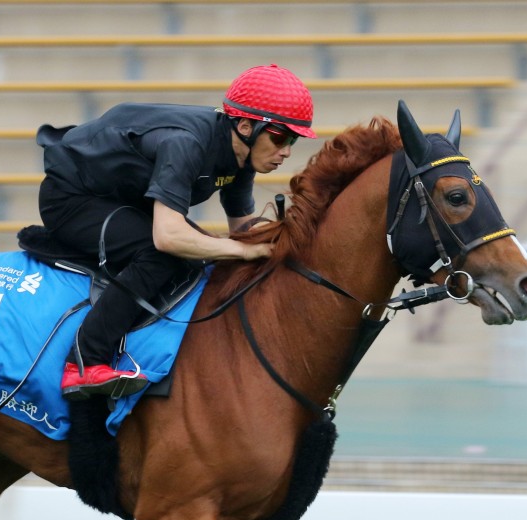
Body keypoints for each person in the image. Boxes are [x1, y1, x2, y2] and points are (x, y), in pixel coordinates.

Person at [34, 63, 316, 399]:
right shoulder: (187, 144)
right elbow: (169, 238)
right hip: (70, 199)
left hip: (119, 198)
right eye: (280, 138)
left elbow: (242, 232)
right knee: (162, 254)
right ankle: (84, 362)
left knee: (201, 252)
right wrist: (242, 250)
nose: (286, 152)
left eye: (294, 141)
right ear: (244, 126)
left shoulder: (242, 157)